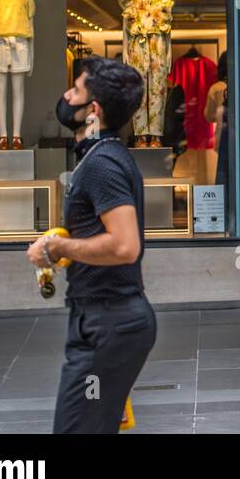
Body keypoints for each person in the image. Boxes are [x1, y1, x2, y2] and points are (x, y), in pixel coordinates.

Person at [27, 57, 156, 434]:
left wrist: (59, 248)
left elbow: (125, 245)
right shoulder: (100, 157)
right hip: (103, 323)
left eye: (76, 90)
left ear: (93, 110)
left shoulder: (102, 164)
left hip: (108, 327)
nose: (66, 95)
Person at [205, 50, 228, 186]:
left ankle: (224, 203)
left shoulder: (216, 89)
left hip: (223, 135)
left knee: (223, 173)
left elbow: (208, 116)